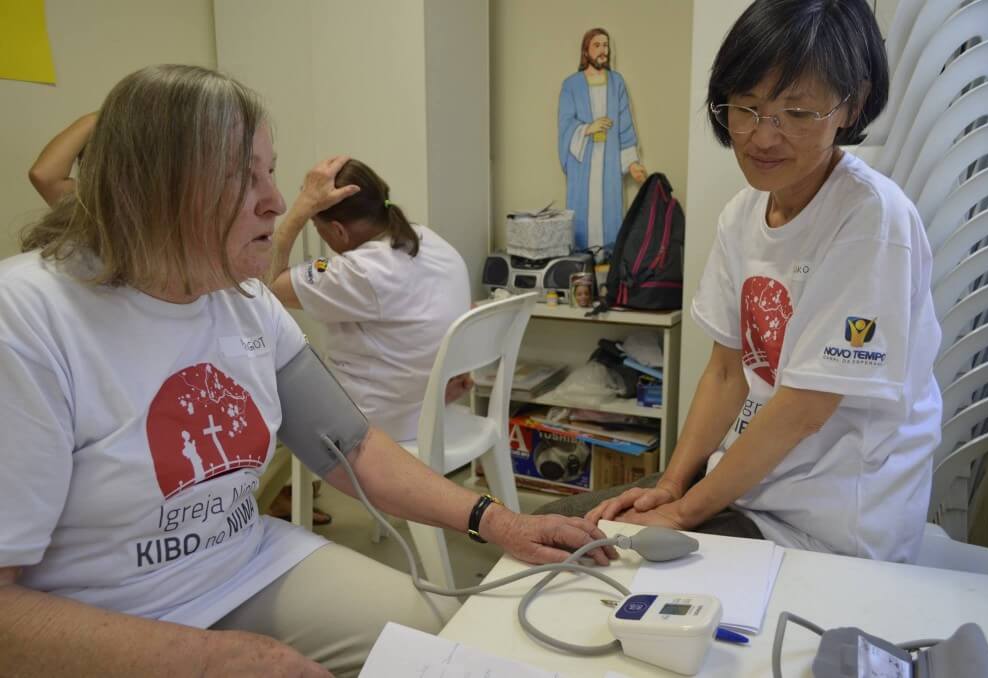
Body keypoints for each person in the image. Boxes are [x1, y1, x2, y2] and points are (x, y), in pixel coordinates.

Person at [0, 64, 617, 677]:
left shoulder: (243, 299)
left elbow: (351, 446)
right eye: (246, 178)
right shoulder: (27, 319)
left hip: (244, 566)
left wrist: (500, 522)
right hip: (100, 619)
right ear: (156, 186)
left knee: (437, 643)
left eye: (270, 172)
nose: (275, 203)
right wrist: (206, 660)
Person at [540, 0, 942, 564]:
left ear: (849, 105)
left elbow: (805, 408)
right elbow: (727, 372)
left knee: (596, 565)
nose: (762, 136)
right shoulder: (742, 214)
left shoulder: (873, 220)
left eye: (796, 112)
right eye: (746, 108)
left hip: (826, 529)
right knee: (547, 531)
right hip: (747, 490)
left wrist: (681, 512)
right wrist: (672, 484)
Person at [267, 157, 472, 444]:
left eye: (318, 227)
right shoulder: (430, 240)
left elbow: (267, 281)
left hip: (380, 424)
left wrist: (301, 208)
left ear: (338, 230)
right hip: (432, 407)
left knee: (271, 382)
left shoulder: (360, 272)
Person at [558, 28, 647, 251]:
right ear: (586, 51)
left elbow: (625, 124)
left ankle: (610, 276)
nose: (603, 50)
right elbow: (565, 124)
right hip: (583, 164)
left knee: (610, 222)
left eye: (605, 45)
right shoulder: (571, 85)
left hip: (609, 164)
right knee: (581, 226)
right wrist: (589, 127)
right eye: (597, 45)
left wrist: (632, 163)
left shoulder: (617, 83)